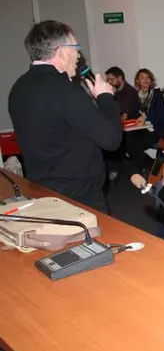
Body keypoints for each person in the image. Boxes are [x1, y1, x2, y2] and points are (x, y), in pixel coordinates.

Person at [9, 20, 121, 212]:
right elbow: (111, 139)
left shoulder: (19, 88)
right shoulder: (67, 91)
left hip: (42, 193)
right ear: (61, 51)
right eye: (76, 47)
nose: (78, 55)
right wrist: (105, 98)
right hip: (80, 198)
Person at [124, 68, 164, 174]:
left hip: (155, 129)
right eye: (142, 77)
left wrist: (146, 117)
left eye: (148, 77)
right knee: (127, 139)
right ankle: (148, 165)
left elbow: (160, 115)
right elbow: (134, 113)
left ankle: (148, 168)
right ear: (137, 81)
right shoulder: (137, 96)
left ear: (151, 80)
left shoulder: (157, 95)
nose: (145, 80)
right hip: (141, 128)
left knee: (134, 145)